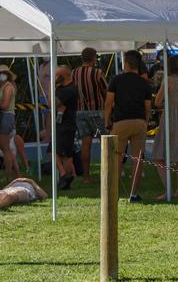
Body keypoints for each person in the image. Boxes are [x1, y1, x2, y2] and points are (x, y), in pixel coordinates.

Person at [104, 50, 152, 203]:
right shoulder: (144, 83)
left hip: (120, 122)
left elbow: (108, 103)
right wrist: (146, 120)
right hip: (139, 122)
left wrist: (107, 121)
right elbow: (148, 106)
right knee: (137, 159)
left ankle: (113, 193)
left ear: (126, 64)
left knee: (116, 159)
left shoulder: (116, 80)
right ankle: (133, 194)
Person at [72, 47, 108, 184]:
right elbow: (106, 90)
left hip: (80, 112)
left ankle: (86, 176)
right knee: (104, 142)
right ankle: (107, 173)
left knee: (86, 144)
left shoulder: (74, 72)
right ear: (93, 58)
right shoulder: (97, 72)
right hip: (97, 111)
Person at [151, 55, 178, 200]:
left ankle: (169, 190)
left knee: (158, 155)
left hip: (170, 119)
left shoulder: (169, 80)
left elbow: (157, 101)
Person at [0, 64, 18, 182]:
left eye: (4, 73)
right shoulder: (4, 87)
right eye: (0, 74)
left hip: (6, 116)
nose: (2, 75)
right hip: (5, 116)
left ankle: (8, 176)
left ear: (7, 75)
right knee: (6, 148)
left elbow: (5, 105)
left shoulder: (8, 87)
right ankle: (16, 174)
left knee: (5, 149)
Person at [54, 66, 79, 190]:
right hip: (61, 124)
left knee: (65, 154)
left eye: (56, 75)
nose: (54, 77)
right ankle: (65, 177)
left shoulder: (69, 89)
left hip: (66, 125)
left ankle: (65, 177)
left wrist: (50, 87)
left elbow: (53, 103)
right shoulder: (62, 88)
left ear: (63, 76)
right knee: (57, 152)